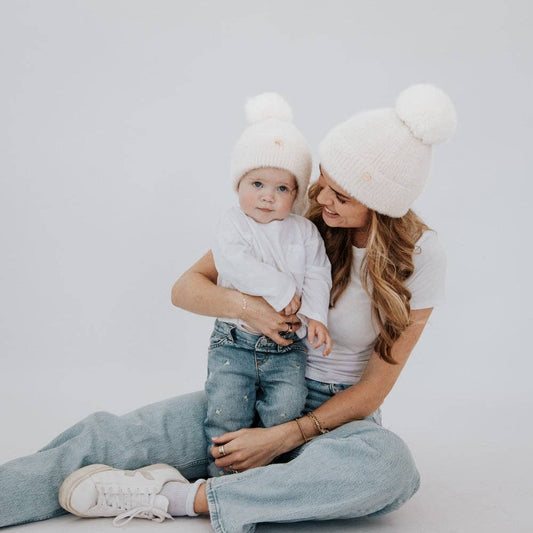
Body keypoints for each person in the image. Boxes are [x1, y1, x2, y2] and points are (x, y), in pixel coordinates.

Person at [0, 83, 456, 532]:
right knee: (111, 437)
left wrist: (281, 437)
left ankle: (179, 497)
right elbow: (186, 288)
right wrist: (248, 306)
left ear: (382, 205)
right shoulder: (297, 218)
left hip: (336, 420)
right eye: (323, 182)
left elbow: (374, 390)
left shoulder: (421, 256)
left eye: (341, 196)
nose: (319, 200)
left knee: (389, 467)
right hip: (251, 387)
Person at [204, 92, 332, 477]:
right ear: (238, 183)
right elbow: (235, 265)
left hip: (287, 348)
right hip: (235, 342)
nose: (266, 196)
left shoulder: (303, 231)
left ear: (295, 195)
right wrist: (282, 292)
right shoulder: (232, 224)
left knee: (286, 410)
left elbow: (317, 272)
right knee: (226, 410)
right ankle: (222, 480)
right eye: (257, 183)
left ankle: (270, 478)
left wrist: (314, 316)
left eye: (282, 189)